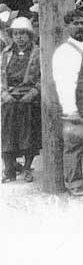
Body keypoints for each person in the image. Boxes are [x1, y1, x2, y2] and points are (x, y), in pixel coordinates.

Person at [52, 9, 83, 195]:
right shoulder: (64, 51)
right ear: (67, 26)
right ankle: (73, 183)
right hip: (75, 104)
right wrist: (70, 109)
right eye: (75, 23)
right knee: (74, 144)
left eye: (82, 23)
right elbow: (65, 83)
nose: (79, 27)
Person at [1, 17, 41, 183]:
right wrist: (4, 93)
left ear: (29, 35)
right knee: (7, 134)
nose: (19, 37)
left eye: (23, 34)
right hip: (9, 98)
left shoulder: (38, 52)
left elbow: (43, 76)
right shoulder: (6, 53)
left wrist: (33, 92)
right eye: (16, 34)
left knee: (29, 135)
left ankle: (27, 167)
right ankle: (9, 168)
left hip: (28, 98)